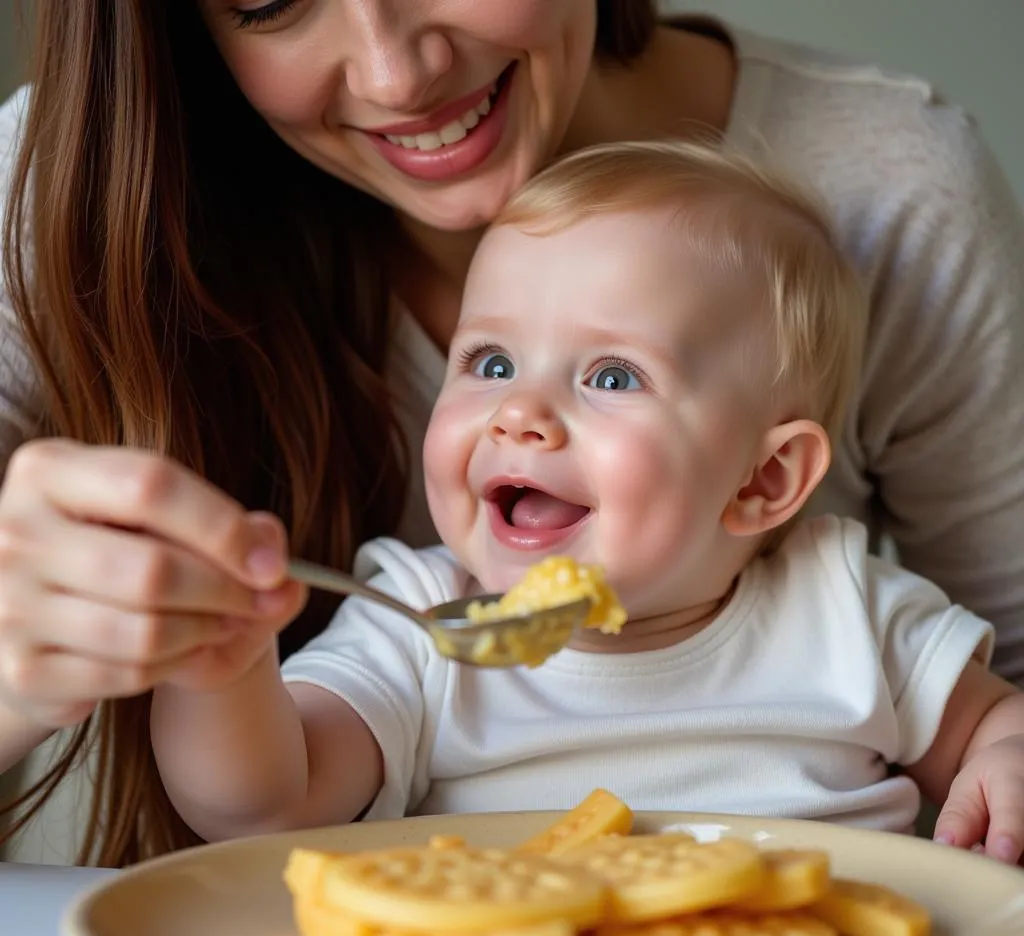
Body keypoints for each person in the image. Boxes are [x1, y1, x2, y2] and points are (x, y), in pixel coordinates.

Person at [0, 2, 1022, 867]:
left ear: (765, 479)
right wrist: (223, 662)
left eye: (611, 376)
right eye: (487, 364)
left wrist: (1003, 758)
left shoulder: (842, 603)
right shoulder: (419, 618)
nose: (518, 414)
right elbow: (266, 802)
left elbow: (994, 717)